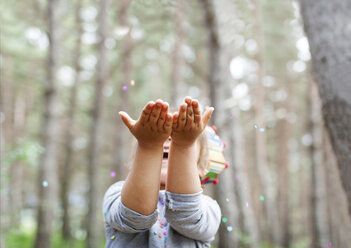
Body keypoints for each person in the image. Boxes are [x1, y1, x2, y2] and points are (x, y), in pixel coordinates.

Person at [102, 97, 222, 247]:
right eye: (160, 134)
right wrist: (149, 147)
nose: (169, 138)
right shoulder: (117, 193)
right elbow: (134, 217)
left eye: (177, 134)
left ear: (203, 168)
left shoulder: (209, 208)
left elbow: (186, 215)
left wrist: (183, 146)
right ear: (135, 163)